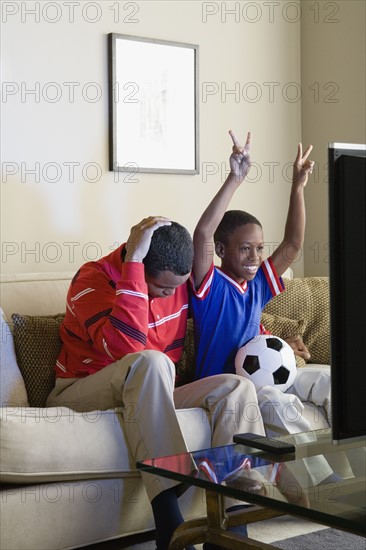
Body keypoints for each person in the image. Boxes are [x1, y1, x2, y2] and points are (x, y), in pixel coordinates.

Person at [46, 216, 266, 550]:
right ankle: (169, 524)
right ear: (138, 267)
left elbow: (228, 312)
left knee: (237, 387)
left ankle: (232, 525)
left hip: (150, 390)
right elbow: (125, 349)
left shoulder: (177, 284)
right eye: (163, 288)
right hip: (81, 391)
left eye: (177, 287)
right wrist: (133, 264)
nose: (172, 294)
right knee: (151, 360)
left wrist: (268, 339)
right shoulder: (91, 280)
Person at [190, 131, 333, 438]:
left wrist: (298, 187)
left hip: (265, 374)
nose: (254, 257)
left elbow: (293, 244)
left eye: (259, 248)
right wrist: (235, 178)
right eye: (244, 249)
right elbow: (202, 234)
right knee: (274, 402)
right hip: (228, 385)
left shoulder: (257, 284)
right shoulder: (211, 286)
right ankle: (322, 481)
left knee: (328, 381)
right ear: (221, 250)